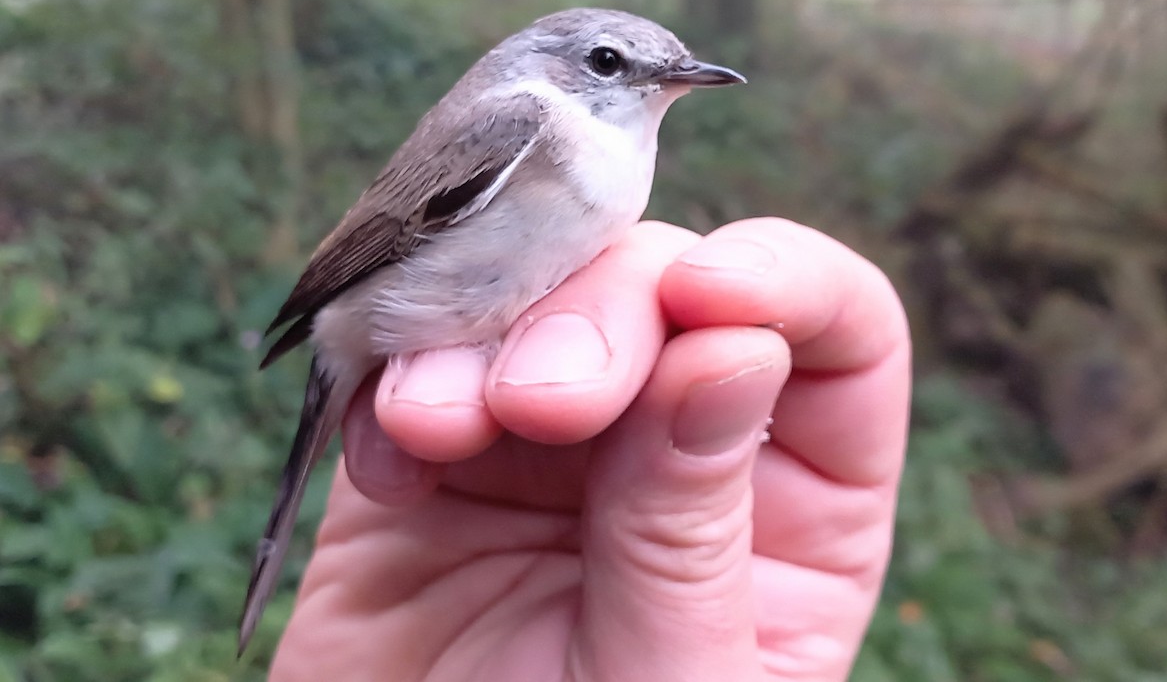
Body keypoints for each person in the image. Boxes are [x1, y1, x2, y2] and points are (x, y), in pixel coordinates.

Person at [268, 218, 911, 681]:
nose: (655, 79)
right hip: (368, 310)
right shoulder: (526, 123)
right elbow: (394, 231)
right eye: (608, 63)